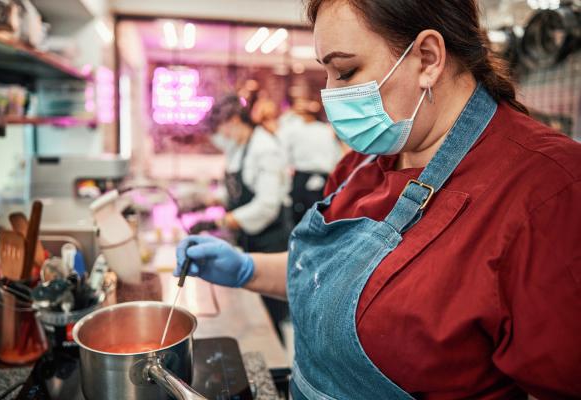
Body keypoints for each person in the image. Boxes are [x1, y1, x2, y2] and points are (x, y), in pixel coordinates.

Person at [176, 1, 581, 399]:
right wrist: (248, 269)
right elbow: (336, 280)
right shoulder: (363, 164)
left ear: (427, 58)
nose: (329, 94)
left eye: (345, 71)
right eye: (327, 73)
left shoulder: (549, 191)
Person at [207, 94, 291, 341]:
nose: (220, 135)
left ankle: (275, 358)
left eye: (221, 127)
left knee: (270, 315)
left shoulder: (265, 148)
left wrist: (220, 222)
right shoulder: (240, 147)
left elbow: (266, 206)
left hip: (270, 241)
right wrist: (208, 199)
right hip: (250, 238)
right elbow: (236, 190)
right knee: (252, 308)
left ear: (234, 120)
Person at [277, 98, 343, 224]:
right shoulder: (325, 129)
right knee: (321, 216)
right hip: (319, 178)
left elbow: (283, 154)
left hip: (307, 179)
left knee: (303, 219)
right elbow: (337, 156)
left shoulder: (296, 130)